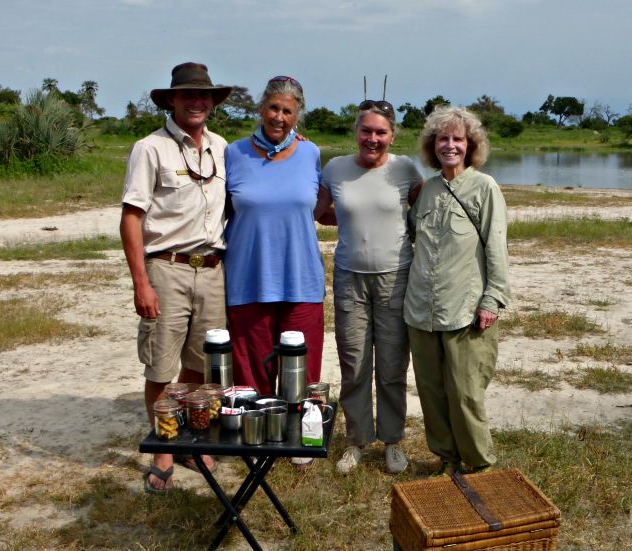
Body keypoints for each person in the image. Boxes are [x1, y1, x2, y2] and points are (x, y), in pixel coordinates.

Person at [120, 62, 231, 493]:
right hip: (167, 268)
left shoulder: (222, 147)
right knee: (161, 367)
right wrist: (140, 283)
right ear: (171, 99)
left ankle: (192, 438)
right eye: (188, 95)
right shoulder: (151, 148)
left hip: (213, 269)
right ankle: (163, 451)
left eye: (204, 95)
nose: (197, 102)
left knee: (202, 367)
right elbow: (132, 218)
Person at [314, 100, 422, 474]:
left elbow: (421, 213)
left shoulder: (405, 169)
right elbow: (321, 212)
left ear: (392, 135)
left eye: (381, 132)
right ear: (355, 132)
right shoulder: (335, 169)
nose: (372, 139)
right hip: (349, 278)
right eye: (366, 131)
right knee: (354, 363)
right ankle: (357, 440)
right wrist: (351, 219)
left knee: (392, 365)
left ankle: (392, 440)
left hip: (396, 277)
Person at [404, 106, 511, 475]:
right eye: (443, 139)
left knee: (465, 394)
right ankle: (446, 459)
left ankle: (479, 464)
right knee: (432, 395)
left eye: (458, 139)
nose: (450, 145)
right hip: (421, 311)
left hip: (465, 311)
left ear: (471, 145)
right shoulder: (426, 190)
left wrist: (492, 300)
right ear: (432, 146)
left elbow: (497, 248)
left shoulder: (485, 187)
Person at [223, 75, 325, 401]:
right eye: (273, 108)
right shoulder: (233, 153)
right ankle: (258, 438)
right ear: (261, 108)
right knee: (252, 372)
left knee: (302, 368)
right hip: (247, 278)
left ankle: (299, 437)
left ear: (298, 116)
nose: (279, 117)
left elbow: (326, 206)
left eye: (287, 111)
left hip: (302, 278)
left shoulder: (311, 153)